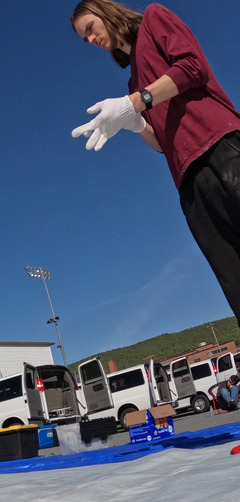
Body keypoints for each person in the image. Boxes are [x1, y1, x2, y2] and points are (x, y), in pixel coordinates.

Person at [70, 1, 240, 326]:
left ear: (104, 11)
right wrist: (134, 123)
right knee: (235, 284)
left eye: (90, 28)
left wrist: (134, 103)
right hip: (188, 184)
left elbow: (193, 68)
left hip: (221, 147)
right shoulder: (133, 83)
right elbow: (161, 144)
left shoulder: (153, 18)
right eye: (84, 39)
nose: (90, 39)